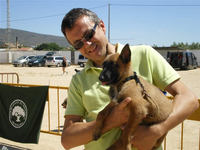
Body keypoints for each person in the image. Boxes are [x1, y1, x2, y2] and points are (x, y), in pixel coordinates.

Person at [61, 8, 199, 150]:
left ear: (102, 26)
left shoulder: (144, 54)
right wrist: (110, 121)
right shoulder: (78, 80)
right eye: (78, 44)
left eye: (89, 34)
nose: (87, 45)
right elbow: (67, 140)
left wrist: (157, 130)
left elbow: (189, 99)